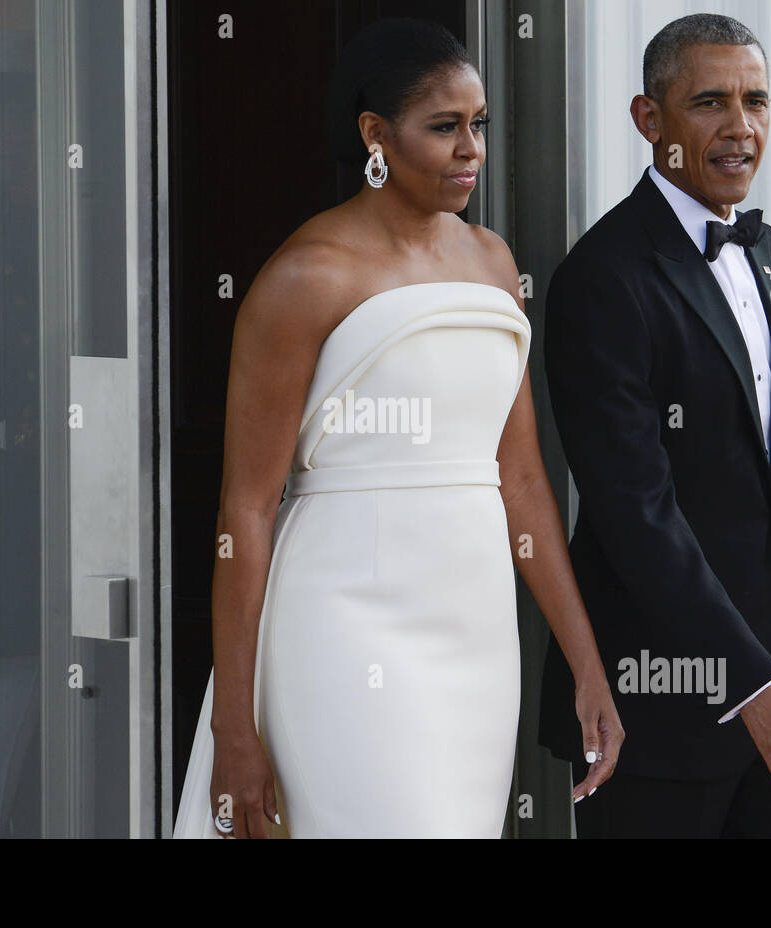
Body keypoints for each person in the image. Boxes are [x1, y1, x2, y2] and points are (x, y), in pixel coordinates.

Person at [174, 18, 623, 838]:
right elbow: (245, 510)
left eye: (478, 124)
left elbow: (520, 481)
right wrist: (233, 731)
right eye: (444, 127)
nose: (471, 150)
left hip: (476, 636)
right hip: (342, 626)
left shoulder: (492, 262)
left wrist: (584, 662)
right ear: (375, 135)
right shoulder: (307, 276)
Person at [538, 13, 771, 837]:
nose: (740, 127)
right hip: (654, 708)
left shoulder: (766, 248)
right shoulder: (600, 279)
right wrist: (749, 686)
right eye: (710, 102)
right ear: (650, 120)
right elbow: (635, 513)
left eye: (756, 101)